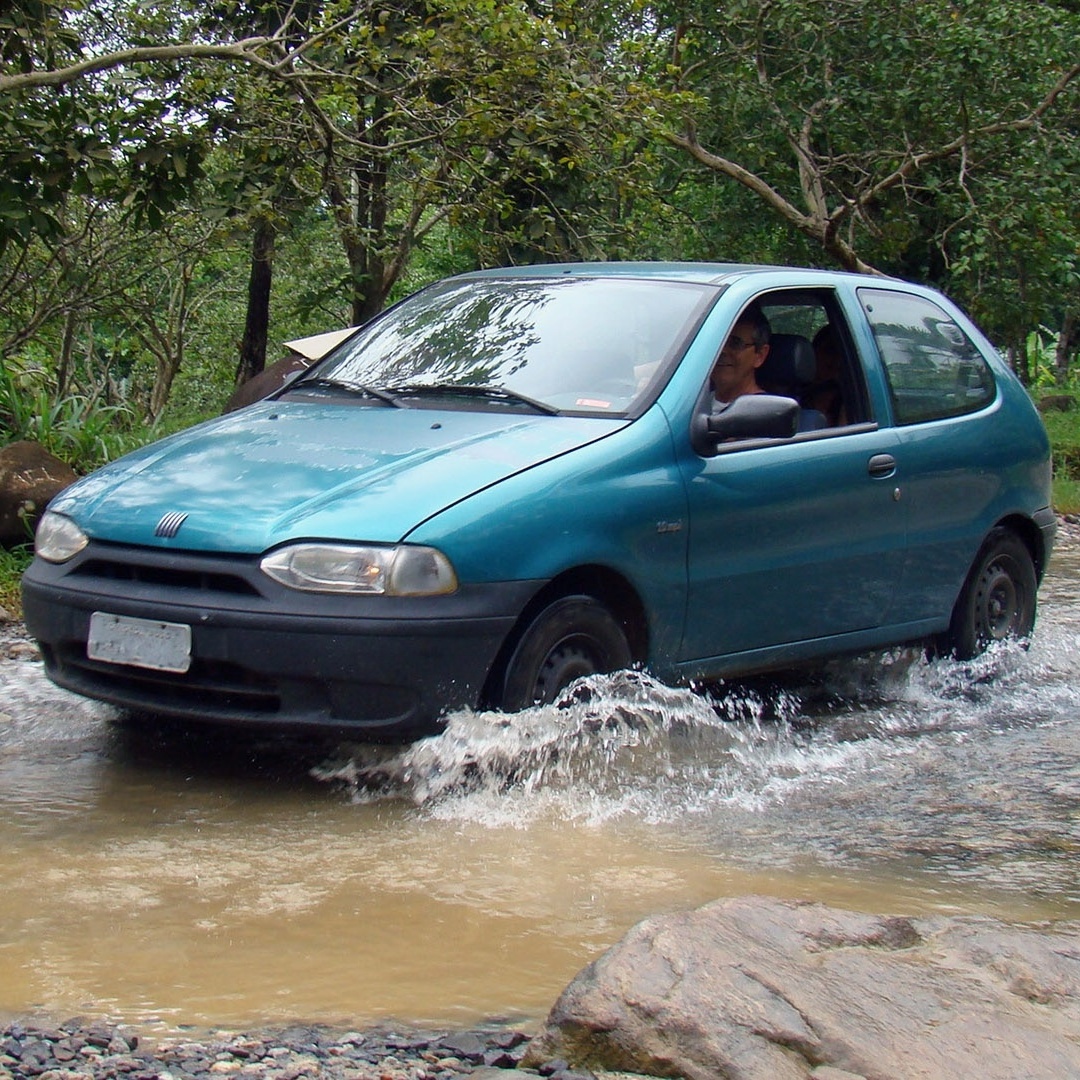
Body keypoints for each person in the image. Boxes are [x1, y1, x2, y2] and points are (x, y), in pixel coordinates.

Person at [710, 306, 771, 403]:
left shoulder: (768, 412)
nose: (722, 351)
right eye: (717, 343)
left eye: (735, 343)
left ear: (760, 355)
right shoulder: (688, 404)